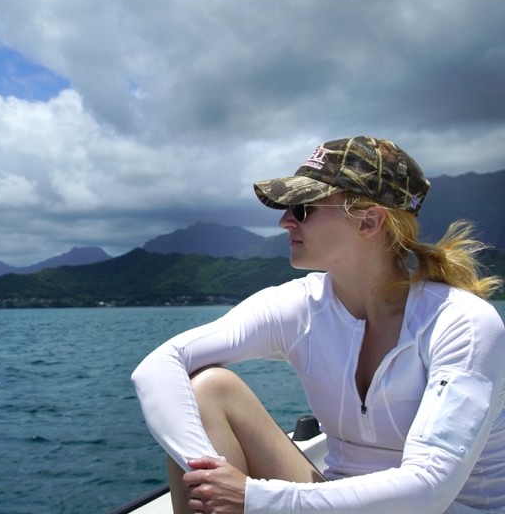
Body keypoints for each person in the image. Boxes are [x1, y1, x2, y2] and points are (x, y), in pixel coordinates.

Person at [131, 136, 505, 513]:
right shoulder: (299, 307)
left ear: (369, 221)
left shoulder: (463, 324)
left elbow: (429, 488)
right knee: (209, 389)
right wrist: (212, 478)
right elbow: (160, 365)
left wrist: (253, 499)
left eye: (303, 208)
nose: (284, 221)